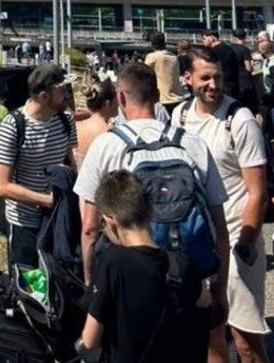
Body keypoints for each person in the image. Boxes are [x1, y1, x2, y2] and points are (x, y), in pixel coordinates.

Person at [73, 62, 230, 363]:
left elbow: (90, 227)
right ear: (157, 96)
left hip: (133, 289)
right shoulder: (192, 143)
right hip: (190, 284)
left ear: (120, 97)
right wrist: (220, 290)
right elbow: (219, 229)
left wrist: (92, 285)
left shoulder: (107, 145)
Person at [173, 47, 270, 363]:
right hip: (198, 241)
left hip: (236, 241)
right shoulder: (180, 116)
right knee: (211, 335)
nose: (213, 84)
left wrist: (245, 243)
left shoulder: (239, 121)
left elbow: (258, 192)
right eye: (205, 78)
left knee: (244, 342)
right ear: (187, 79)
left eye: (218, 77)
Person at [79, 170, 203, 363]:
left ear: (110, 219)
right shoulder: (182, 264)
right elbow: (204, 305)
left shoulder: (113, 262)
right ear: (150, 211)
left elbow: (90, 339)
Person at [0, 64, 78, 269]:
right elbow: (2, 186)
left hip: (58, 220)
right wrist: (46, 200)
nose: (68, 95)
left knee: (57, 279)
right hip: (25, 223)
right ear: (44, 97)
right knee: (28, 282)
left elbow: (73, 164)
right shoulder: (13, 125)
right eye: (63, 90)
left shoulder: (66, 120)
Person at [74, 80, 117, 170]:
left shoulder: (76, 127)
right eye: (116, 101)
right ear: (108, 104)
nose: (118, 104)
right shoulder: (111, 133)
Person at [144, 31, 188, 115]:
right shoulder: (174, 57)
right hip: (178, 98)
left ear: (152, 44)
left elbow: (143, 74)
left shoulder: (152, 57)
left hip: (161, 99)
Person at [202, 30, 240, 101]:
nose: (203, 41)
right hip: (232, 84)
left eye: (204, 38)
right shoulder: (227, 48)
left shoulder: (214, 52)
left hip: (223, 86)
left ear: (212, 38)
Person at [230, 29, 258, 113]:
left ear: (233, 37)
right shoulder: (244, 50)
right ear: (245, 37)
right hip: (245, 82)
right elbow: (248, 68)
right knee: (251, 109)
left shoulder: (229, 49)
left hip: (233, 81)